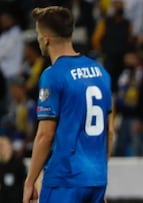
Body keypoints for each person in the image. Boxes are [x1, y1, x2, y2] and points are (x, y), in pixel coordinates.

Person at [23, 6, 114, 203]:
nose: (38, 39)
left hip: (65, 179)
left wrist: (30, 180)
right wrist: (99, 173)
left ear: (46, 38)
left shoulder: (53, 75)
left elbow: (45, 136)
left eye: (38, 34)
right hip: (97, 178)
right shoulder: (100, 72)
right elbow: (110, 130)